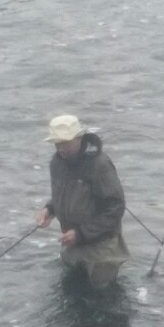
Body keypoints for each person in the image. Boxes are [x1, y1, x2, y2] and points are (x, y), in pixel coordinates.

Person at [35, 114, 130, 289]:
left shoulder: (100, 165)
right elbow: (61, 195)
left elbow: (116, 207)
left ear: (79, 138)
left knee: (103, 299)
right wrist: (49, 210)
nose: (60, 148)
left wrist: (81, 234)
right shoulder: (56, 163)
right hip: (71, 246)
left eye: (65, 143)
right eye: (57, 143)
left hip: (101, 251)